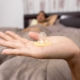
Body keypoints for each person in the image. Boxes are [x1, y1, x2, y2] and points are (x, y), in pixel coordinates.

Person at [0, 31, 80, 80]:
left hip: (43, 33)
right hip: (29, 34)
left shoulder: (47, 22)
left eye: (42, 15)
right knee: (8, 48)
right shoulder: (33, 22)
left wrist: (75, 56)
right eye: (39, 15)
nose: (40, 16)